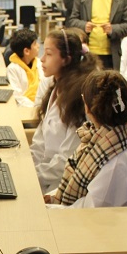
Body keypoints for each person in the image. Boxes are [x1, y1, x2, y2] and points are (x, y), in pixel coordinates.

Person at [46, 70, 127, 208]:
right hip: (89, 213)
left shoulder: (115, 163)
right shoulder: (110, 137)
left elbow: (91, 211)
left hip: (98, 219)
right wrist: (51, 198)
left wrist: (48, 209)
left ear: (87, 108)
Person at [30, 28, 99, 194]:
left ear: (66, 59)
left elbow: (67, 160)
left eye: (49, 54)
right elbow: (39, 142)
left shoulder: (77, 99)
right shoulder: (55, 88)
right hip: (44, 175)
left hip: (61, 185)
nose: (42, 59)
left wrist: (31, 177)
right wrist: (24, 168)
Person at [6, 28, 44, 107]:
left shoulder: (40, 63)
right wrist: (35, 107)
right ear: (26, 51)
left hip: (42, 105)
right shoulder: (13, 69)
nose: (38, 46)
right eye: (35, 44)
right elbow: (17, 96)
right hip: (25, 108)